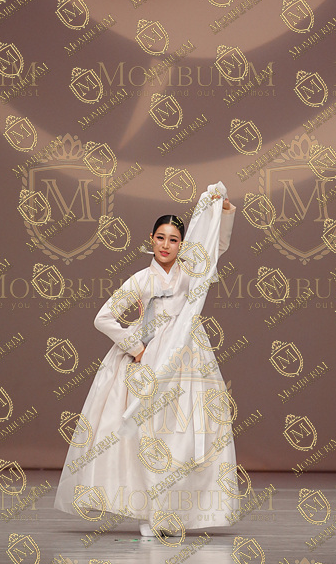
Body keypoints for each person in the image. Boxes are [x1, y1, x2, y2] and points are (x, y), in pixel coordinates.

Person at [54, 182, 239, 537]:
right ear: (151, 240)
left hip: (187, 357)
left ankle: (177, 511)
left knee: (184, 433)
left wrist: (224, 211)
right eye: (160, 238)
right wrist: (135, 347)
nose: (166, 245)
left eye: (174, 240)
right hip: (148, 358)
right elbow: (103, 318)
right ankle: (148, 511)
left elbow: (216, 247)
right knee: (145, 434)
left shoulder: (190, 272)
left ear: (182, 245)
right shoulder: (140, 280)